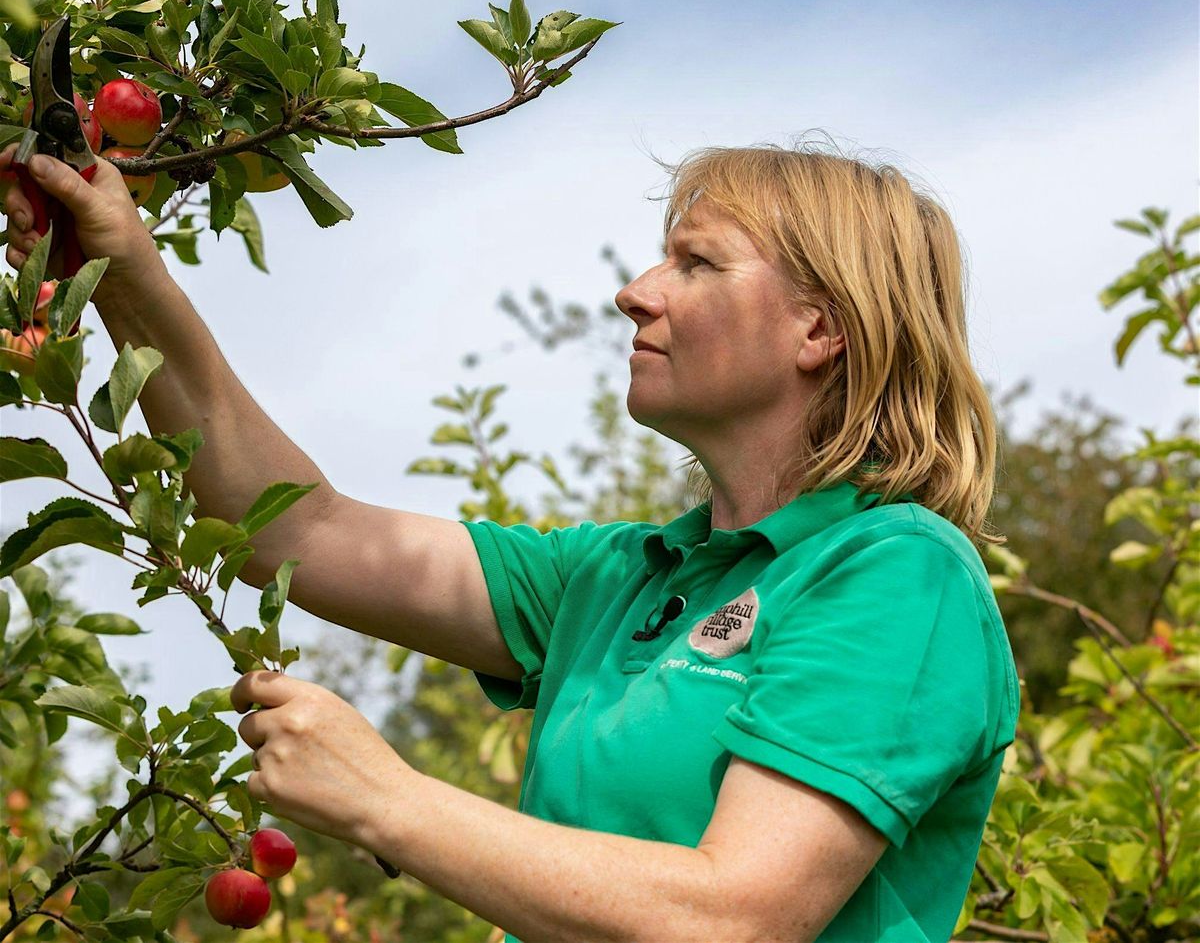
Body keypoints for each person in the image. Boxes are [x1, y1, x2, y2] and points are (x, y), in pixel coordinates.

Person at [2, 136, 1020, 943]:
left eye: (696, 262)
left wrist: (386, 800)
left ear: (819, 330)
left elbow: (734, 918)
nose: (636, 291)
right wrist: (124, 271)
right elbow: (296, 526)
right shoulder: (618, 580)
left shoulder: (897, 573)